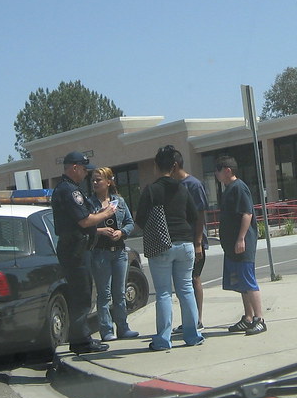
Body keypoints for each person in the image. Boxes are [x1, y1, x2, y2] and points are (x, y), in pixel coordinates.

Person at [135, 145, 204, 350]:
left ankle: (164, 339)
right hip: (185, 243)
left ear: (156, 166)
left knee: (164, 293)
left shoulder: (151, 190)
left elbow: (140, 219)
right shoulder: (182, 188)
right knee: (186, 289)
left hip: (162, 245)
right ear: (174, 166)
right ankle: (192, 335)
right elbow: (194, 216)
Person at [51, 151, 115, 355]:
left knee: (84, 293)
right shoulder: (69, 191)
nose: (87, 173)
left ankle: (81, 338)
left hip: (78, 248)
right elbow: (84, 221)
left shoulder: (70, 189)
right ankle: (81, 340)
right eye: (85, 169)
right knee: (81, 295)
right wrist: (106, 213)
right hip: (74, 250)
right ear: (74, 167)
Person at [215, 154, 266, 335]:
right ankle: (248, 318)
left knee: (249, 281)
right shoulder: (228, 189)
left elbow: (247, 214)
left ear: (228, 170)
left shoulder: (239, 188)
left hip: (242, 245)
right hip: (231, 247)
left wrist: (241, 238)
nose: (217, 174)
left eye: (218, 171)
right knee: (241, 284)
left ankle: (260, 319)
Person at [87, 166, 139, 342]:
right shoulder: (89, 203)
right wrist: (100, 230)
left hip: (119, 252)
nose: (95, 182)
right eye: (93, 180)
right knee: (104, 294)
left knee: (120, 292)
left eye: (98, 179)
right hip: (100, 253)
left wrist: (121, 232)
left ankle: (123, 328)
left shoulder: (119, 202)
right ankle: (106, 330)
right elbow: (86, 225)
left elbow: (130, 223)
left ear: (108, 182)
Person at [171, 148, 207, 333]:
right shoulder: (172, 185)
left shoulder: (193, 185)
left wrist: (198, 242)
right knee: (181, 283)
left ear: (175, 165)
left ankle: (197, 320)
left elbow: (200, 214)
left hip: (194, 241)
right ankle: (188, 320)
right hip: (177, 241)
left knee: (193, 279)